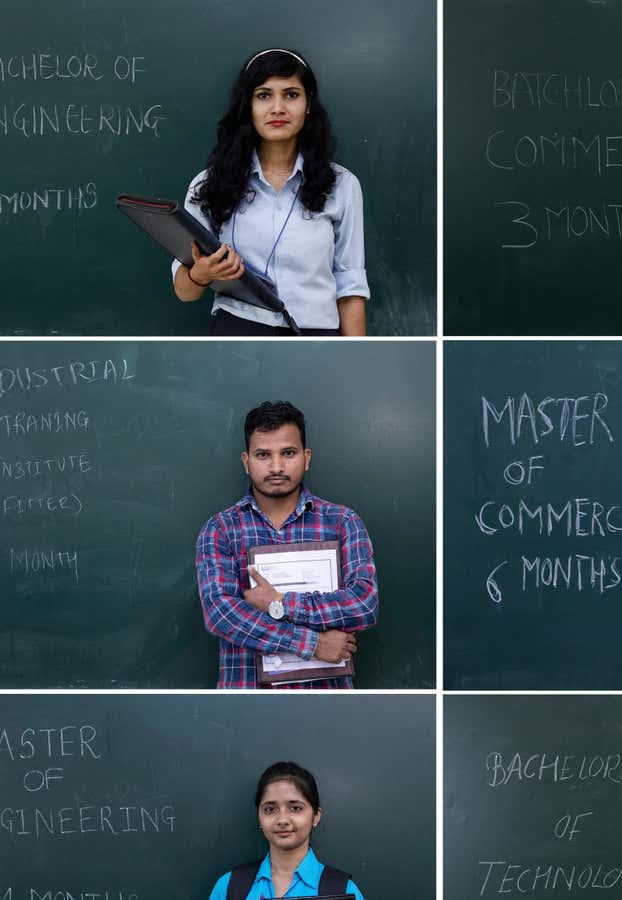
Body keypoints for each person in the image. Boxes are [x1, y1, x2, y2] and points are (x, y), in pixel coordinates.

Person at [173, 48, 369, 336]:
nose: (278, 108)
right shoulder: (209, 184)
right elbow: (184, 292)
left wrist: (356, 360)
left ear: (309, 104)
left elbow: (350, 287)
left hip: (315, 339)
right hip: (236, 336)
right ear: (248, 105)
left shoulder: (342, 185)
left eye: (291, 94)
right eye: (264, 95)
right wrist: (201, 275)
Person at [196, 401, 378, 688]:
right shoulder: (220, 529)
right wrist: (312, 643)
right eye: (263, 455)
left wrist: (278, 603)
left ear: (306, 458)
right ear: (246, 462)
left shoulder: (343, 522)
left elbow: (363, 604)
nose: (276, 466)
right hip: (245, 701)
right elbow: (221, 614)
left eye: (288, 453)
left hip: (327, 705)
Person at [208, 762, 366, 900]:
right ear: (259, 817)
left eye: (295, 808)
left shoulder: (344, 890)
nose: (282, 820)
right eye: (270, 809)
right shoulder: (229, 887)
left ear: (316, 816)